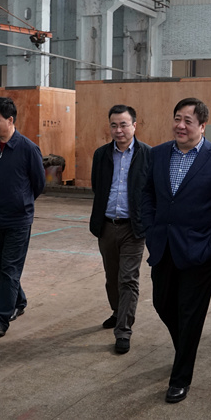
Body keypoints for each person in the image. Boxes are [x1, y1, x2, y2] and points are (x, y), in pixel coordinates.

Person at [142, 97, 211, 403]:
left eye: (188, 121)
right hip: (163, 246)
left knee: (190, 314)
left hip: (200, 252)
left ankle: (180, 378)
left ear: (202, 125)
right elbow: (147, 195)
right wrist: (150, 231)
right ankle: (185, 346)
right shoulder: (158, 154)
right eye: (177, 119)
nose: (180, 126)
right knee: (162, 303)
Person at [0, 97, 45, 336]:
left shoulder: (28, 149)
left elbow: (39, 183)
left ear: (10, 120)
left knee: (9, 269)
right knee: (3, 268)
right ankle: (18, 301)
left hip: (17, 220)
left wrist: (21, 202)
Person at [89, 104, 151, 354]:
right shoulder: (101, 155)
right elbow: (97, 186)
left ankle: (123, 330)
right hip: (106, 226)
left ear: (134, 126)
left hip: (133, 228)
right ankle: (118, 312)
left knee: (128, 279)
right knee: (112, 278)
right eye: (114, 125)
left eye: (123, 125)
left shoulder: (148, 155)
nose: (118, 130)